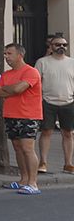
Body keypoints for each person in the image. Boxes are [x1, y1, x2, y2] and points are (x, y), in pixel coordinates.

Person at [0, 43, 43, 195]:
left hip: (28, 115)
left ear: (20, 55)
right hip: (11, 114)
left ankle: (33, 183)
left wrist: (9, 89)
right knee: (17, 148)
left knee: (28, 148)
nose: (6, 57)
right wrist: (12, 90)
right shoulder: (6, 75)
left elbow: (18, 89)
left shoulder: (31, 72)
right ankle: (23, 179)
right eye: (5, 54)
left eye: (9, 54)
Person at [34, 35, 74, 175]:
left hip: (68, 102)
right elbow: (36, 83)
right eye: (57, 44)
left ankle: (68, 163)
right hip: (48, 101)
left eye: (64, 44)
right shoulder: (42, 62)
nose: (61, 47)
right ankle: (43, 162)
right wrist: (38, 100)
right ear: (50, 46)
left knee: (68, 133)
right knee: (46, 132)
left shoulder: (72, 62)